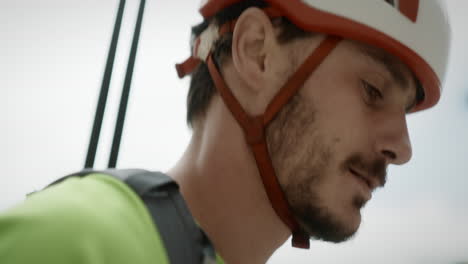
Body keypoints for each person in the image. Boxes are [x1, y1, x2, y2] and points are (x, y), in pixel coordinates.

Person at [0, 0, 451, 263]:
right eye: (372, 90)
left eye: (406, 113)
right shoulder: (83, 243)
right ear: (256, 53)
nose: (403, 147)